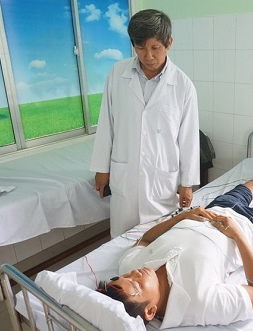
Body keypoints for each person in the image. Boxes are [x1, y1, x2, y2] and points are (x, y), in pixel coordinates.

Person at [100, 153, 253, 328]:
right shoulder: (199, 304)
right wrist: (237, 235)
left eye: (126, 277)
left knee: (243, 190)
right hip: (250, 228)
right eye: (137, 285)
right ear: (150, 312)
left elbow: (146, 239)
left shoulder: (128, 268)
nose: (135, 274)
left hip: (212, 212)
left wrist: (183, 216)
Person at [90, 9, 200, 238]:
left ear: (169, 43)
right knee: (120, 243)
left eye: (155, 48)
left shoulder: (183, 85)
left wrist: (187, 183)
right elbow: (106, 123)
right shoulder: (117, 74)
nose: (148, 55)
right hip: (125, 178)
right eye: (141, 48)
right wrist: (102, 168)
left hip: (162, 184)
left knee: (157, 243)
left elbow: (188, 139)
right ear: (133, 44)